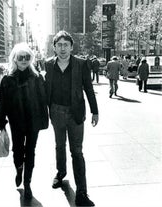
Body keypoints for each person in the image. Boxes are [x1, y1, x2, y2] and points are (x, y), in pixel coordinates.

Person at [44, 30, 99, 207]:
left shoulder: (81, 64)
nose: (62, 48)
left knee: (77, 151)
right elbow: (45, 89)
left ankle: (82, 192)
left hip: (75, 113)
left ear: (71, 47)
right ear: (54, 47)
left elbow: (88, 89)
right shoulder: (48, 64)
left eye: (65, 45)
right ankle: (60, 174)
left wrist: (95, 111)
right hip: (56, 112)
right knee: (60, 146)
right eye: (59, 45)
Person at [0, 42, 48, 199]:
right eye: (20, 57)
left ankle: (27, 183)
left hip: (33, 122)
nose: (24, 60)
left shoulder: (37, 78)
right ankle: (19, 169)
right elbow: (2, 103)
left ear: (31, 59)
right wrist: (1, 124)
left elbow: (43, 100)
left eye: (27, 57)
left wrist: (44, 121)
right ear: (14, 59)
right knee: (18, 151)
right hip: (16, 121)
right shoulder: (7, 79)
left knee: (31, 152)